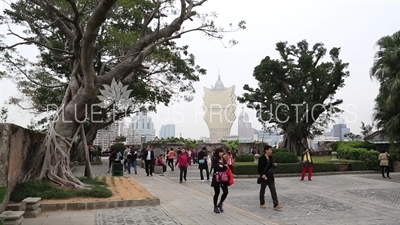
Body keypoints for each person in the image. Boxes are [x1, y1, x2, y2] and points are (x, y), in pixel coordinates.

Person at [258, 145, 282, 210]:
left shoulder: (271, 158)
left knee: (273, 190)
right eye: (270, 150)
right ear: (266, 150)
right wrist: (262, 174)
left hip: (270, 177)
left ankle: (276, 204)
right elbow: (259, 169)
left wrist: (274, 165)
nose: (271, 151)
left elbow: (271, 166)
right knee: (262, 190)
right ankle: (262, 203)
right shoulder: (261, 158)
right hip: (264, 177)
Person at [211, 148, 229, 214]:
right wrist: (223, 167)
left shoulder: (223, 159)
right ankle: (215, 206)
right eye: (220, 152)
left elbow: (227, 167)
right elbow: (216, 168)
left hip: (223, 177)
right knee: (217, 192)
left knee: (226, 192)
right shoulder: (215, 159)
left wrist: (225, 164)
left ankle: (220, 203)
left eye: (222, 152)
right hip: (217, 177)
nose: (221, 153)